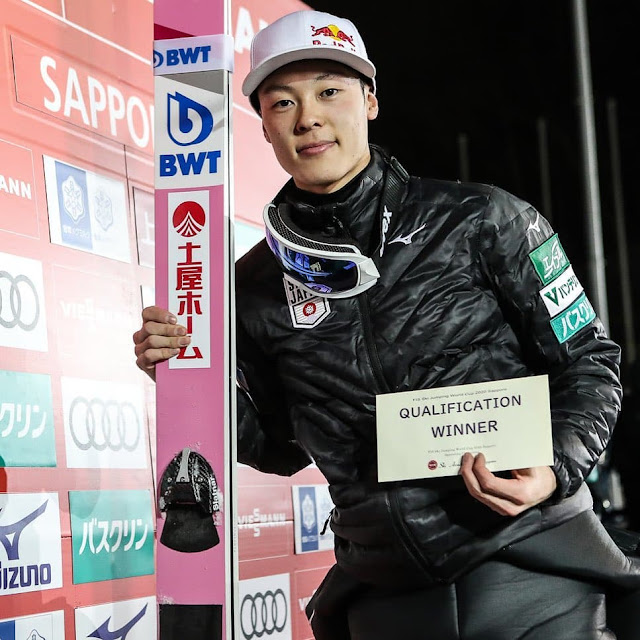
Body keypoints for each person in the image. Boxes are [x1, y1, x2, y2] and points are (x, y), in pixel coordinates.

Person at [133, 9, 640, 639]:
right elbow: (280, 447)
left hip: (532, 562)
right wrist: (188, 383)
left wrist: (555, 466)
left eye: (329, 92)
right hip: (384, 589)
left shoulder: (484, 218)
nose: (308, 117)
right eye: (283, 102)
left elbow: (589, 362)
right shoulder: (250, 285)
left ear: (370, 101)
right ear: (262, 125)